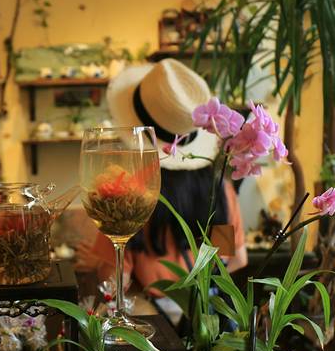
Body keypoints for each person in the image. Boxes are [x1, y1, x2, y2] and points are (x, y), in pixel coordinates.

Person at [76, 59, 248, 296]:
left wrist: (97, 263)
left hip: (153, 313)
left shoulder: (128, 193)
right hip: (207, 312)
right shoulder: (220, 191)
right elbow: (233, 259)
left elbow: (114, 284)